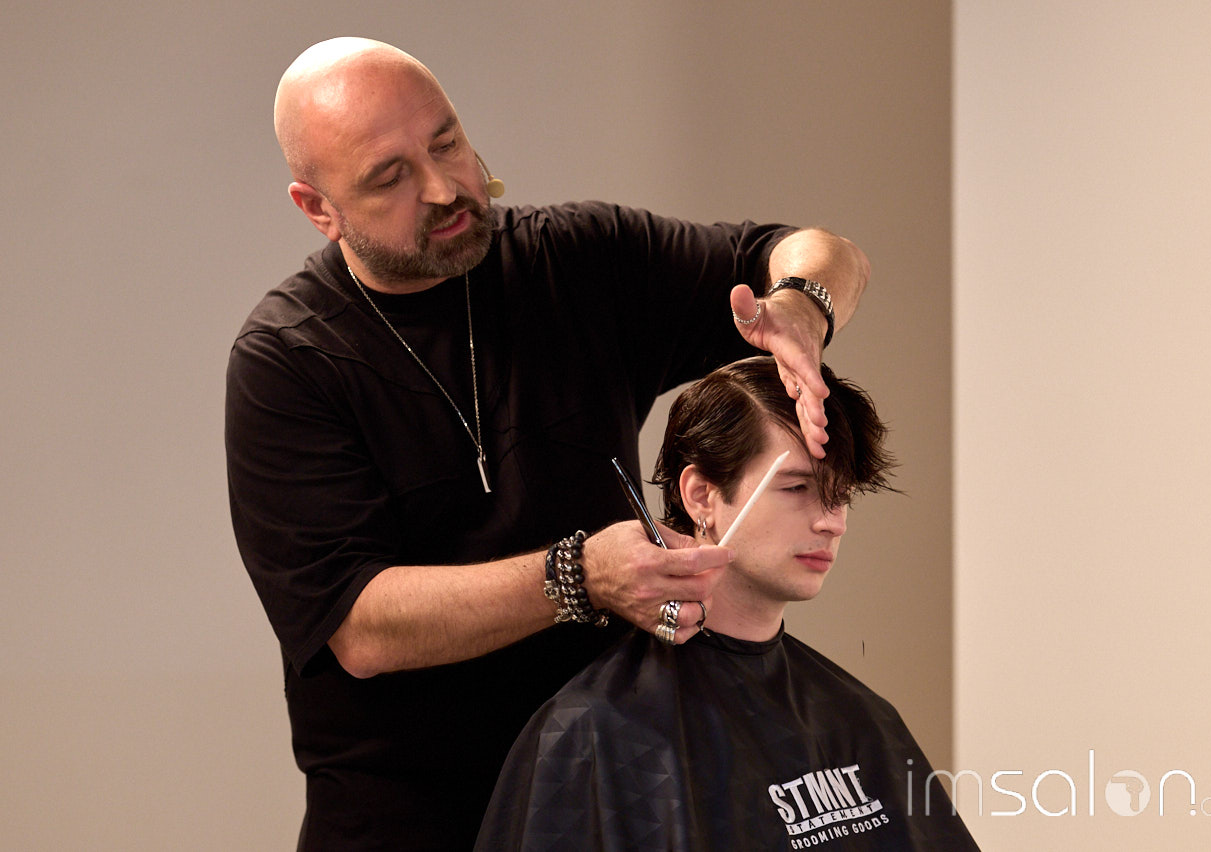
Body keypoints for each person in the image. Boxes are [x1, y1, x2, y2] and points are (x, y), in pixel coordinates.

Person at [226, 36, 871, 850]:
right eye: (390, 177)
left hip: (608, 797)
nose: (443, 188)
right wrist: (581, 575)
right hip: (411, 820)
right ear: (319, 209)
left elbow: (818, 252)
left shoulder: (576, 263)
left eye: (447, 143)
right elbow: (359, 628)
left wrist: (804, 308)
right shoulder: (290, 361)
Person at [475, 356, 979, 851]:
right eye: (797, 487)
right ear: (701, 496)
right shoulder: (591, 733)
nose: (832, 522)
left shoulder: (864, 720)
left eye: (840, 494)